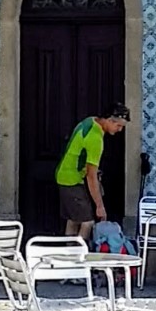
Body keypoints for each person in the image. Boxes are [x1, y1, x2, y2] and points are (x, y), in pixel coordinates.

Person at [54, 103, 130, 242]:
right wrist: (100, 206)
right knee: (87, 221)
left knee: (74, 219)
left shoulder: (89, 121)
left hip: (63, 175)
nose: (119, 130)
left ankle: (68, 254)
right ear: (109, 120)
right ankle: (79, 255)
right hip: (72, 180)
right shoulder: (95, 139)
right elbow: (91, 176)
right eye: (118, 125)